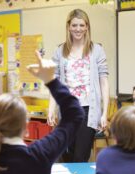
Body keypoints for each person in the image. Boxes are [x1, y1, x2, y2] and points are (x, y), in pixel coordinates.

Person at [48, 9, 109, 162]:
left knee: (80, 157)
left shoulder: (97, 50)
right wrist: (51, 109)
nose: (78, 29)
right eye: (74, 25)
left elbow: (104, 82)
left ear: (87, 27)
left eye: (82, 25)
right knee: (66, 155)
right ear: (68, 26)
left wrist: (104, 113)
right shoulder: (60, 51)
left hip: (88, 110)